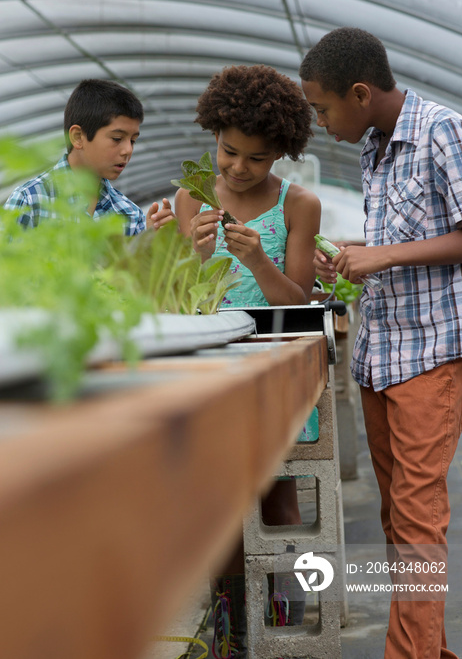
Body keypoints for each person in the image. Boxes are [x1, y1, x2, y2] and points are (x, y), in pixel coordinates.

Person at [300, 27, 462, 659]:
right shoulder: (375, 144)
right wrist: (352, 256)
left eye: (323, 108)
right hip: (382, 356)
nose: (319, 122)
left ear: (361, 92)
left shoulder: (442, 130)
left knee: (419, 518)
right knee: (401, 521)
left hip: (431, 352)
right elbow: (398, 246)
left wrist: (384, 255)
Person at [175, 64, 321, 658]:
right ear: (213, 136)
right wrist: (194, 254)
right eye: (229, 152)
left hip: (276, 372)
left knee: (279, 498)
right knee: (222, 504)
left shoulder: (298, 204)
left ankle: (285, 621)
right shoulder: (192, 198)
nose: (237, 168)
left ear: (280, 154)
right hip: (214, 373)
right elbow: (184, 299)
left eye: (256, 159)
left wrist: (259, 263)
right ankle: (229, 631)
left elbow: (300, 300)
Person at [4, 78, 174, 233]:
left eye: (133, 141)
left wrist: (151, 243)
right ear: (78, 137)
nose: (128, 150)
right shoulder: (30, 200)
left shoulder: (130, 214)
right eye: (117, 138)